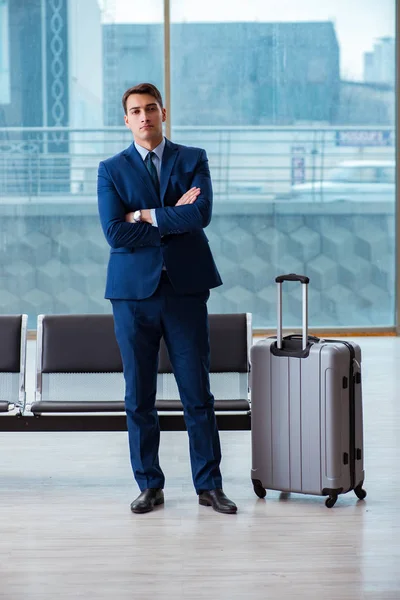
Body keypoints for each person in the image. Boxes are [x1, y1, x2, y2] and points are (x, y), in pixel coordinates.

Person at [97, 83, 237, 515]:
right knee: (138, 396)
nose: (144, 117)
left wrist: (143, 213)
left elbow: (201, 214)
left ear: (163, 112)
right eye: (135, 111)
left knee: (197, 393)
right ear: (126, 120)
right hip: (132, 295)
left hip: (185, 290)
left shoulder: (192, 158)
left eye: (151, 109)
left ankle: (209, 486)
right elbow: (114, 233)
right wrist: (172, 213)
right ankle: (150, 485)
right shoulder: (110, 169)